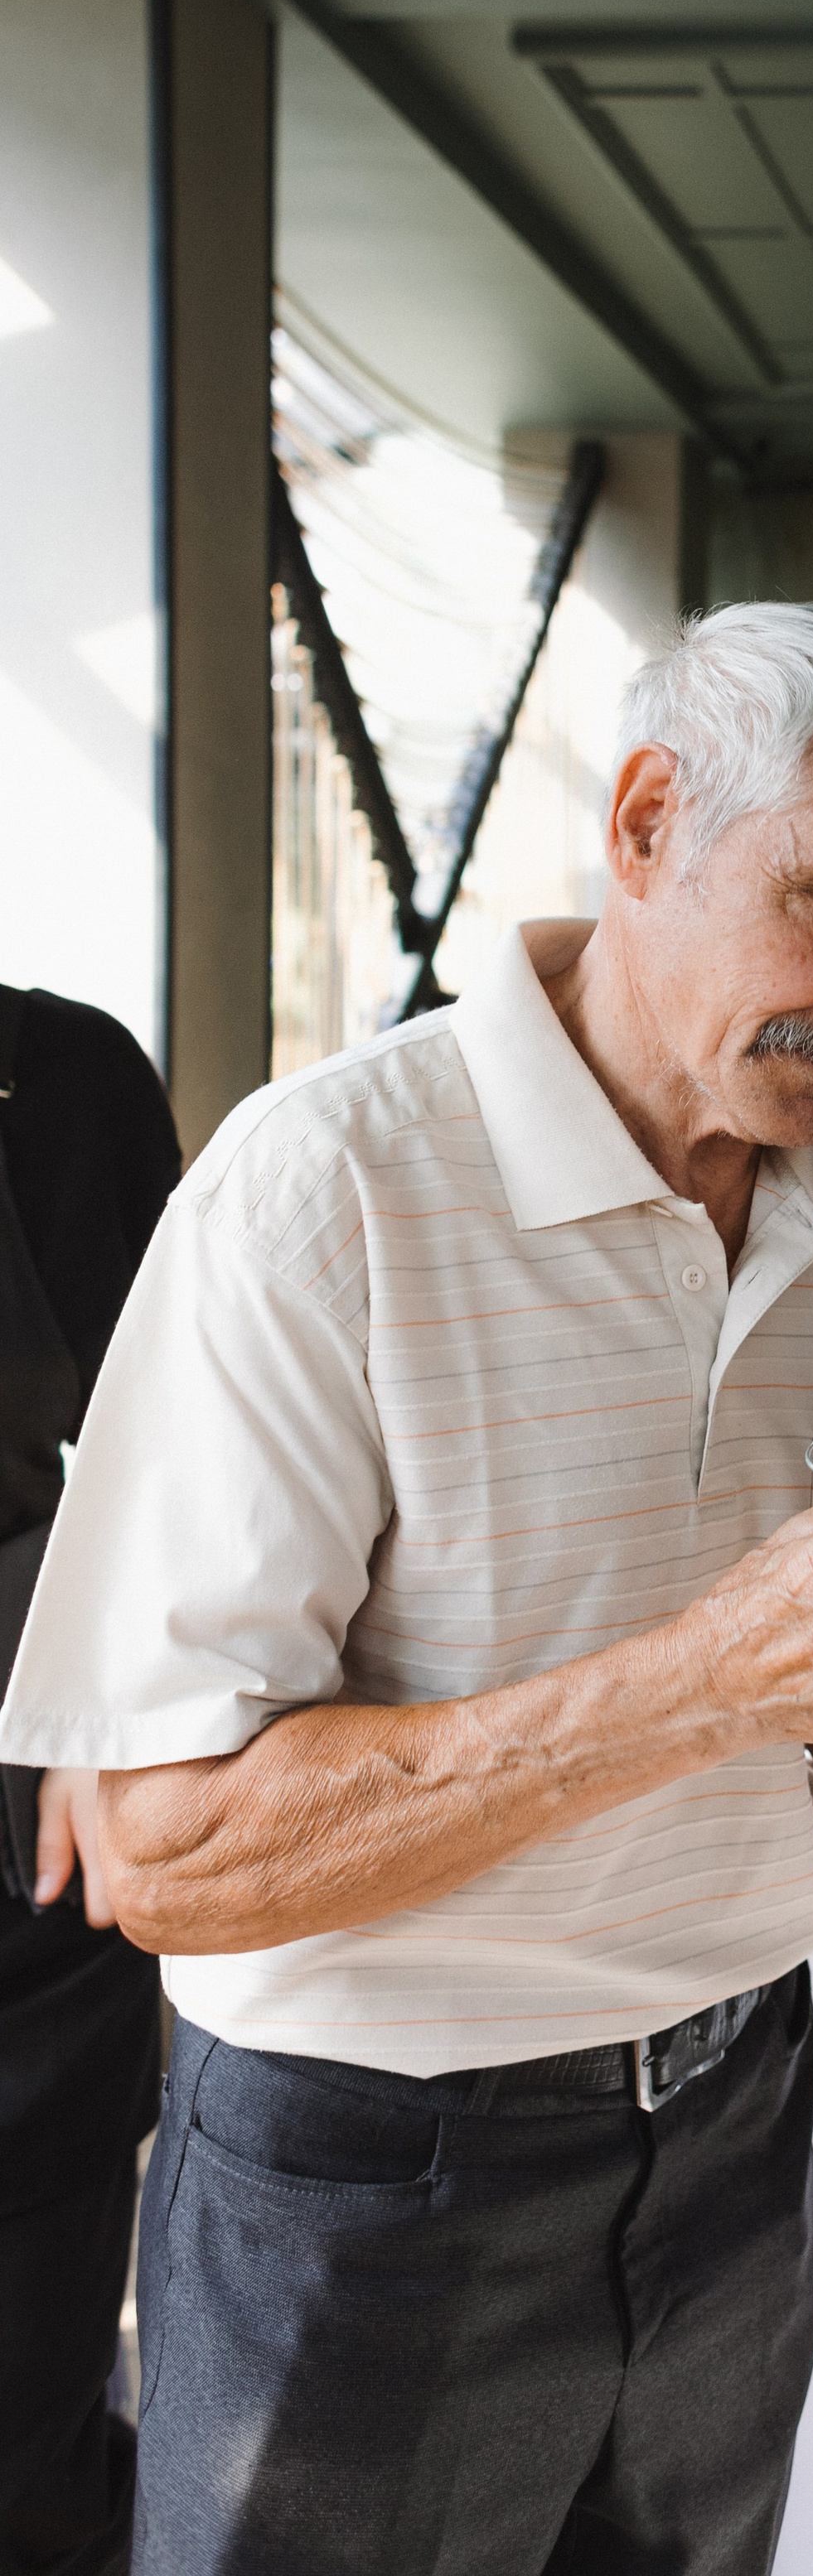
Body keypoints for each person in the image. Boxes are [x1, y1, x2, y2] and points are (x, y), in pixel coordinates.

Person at [0, 601, 813, 2576]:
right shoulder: (319, 1187)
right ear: (650, 819)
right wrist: (704, 1679)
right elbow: (165, 1859)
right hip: (371, 2178)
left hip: (741, 2125)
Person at [0, 981, 181, 2576]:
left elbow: (178, 1441)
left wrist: (110, 1696)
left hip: (22, 1845)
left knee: (26, 2438)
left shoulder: (54, 1077)